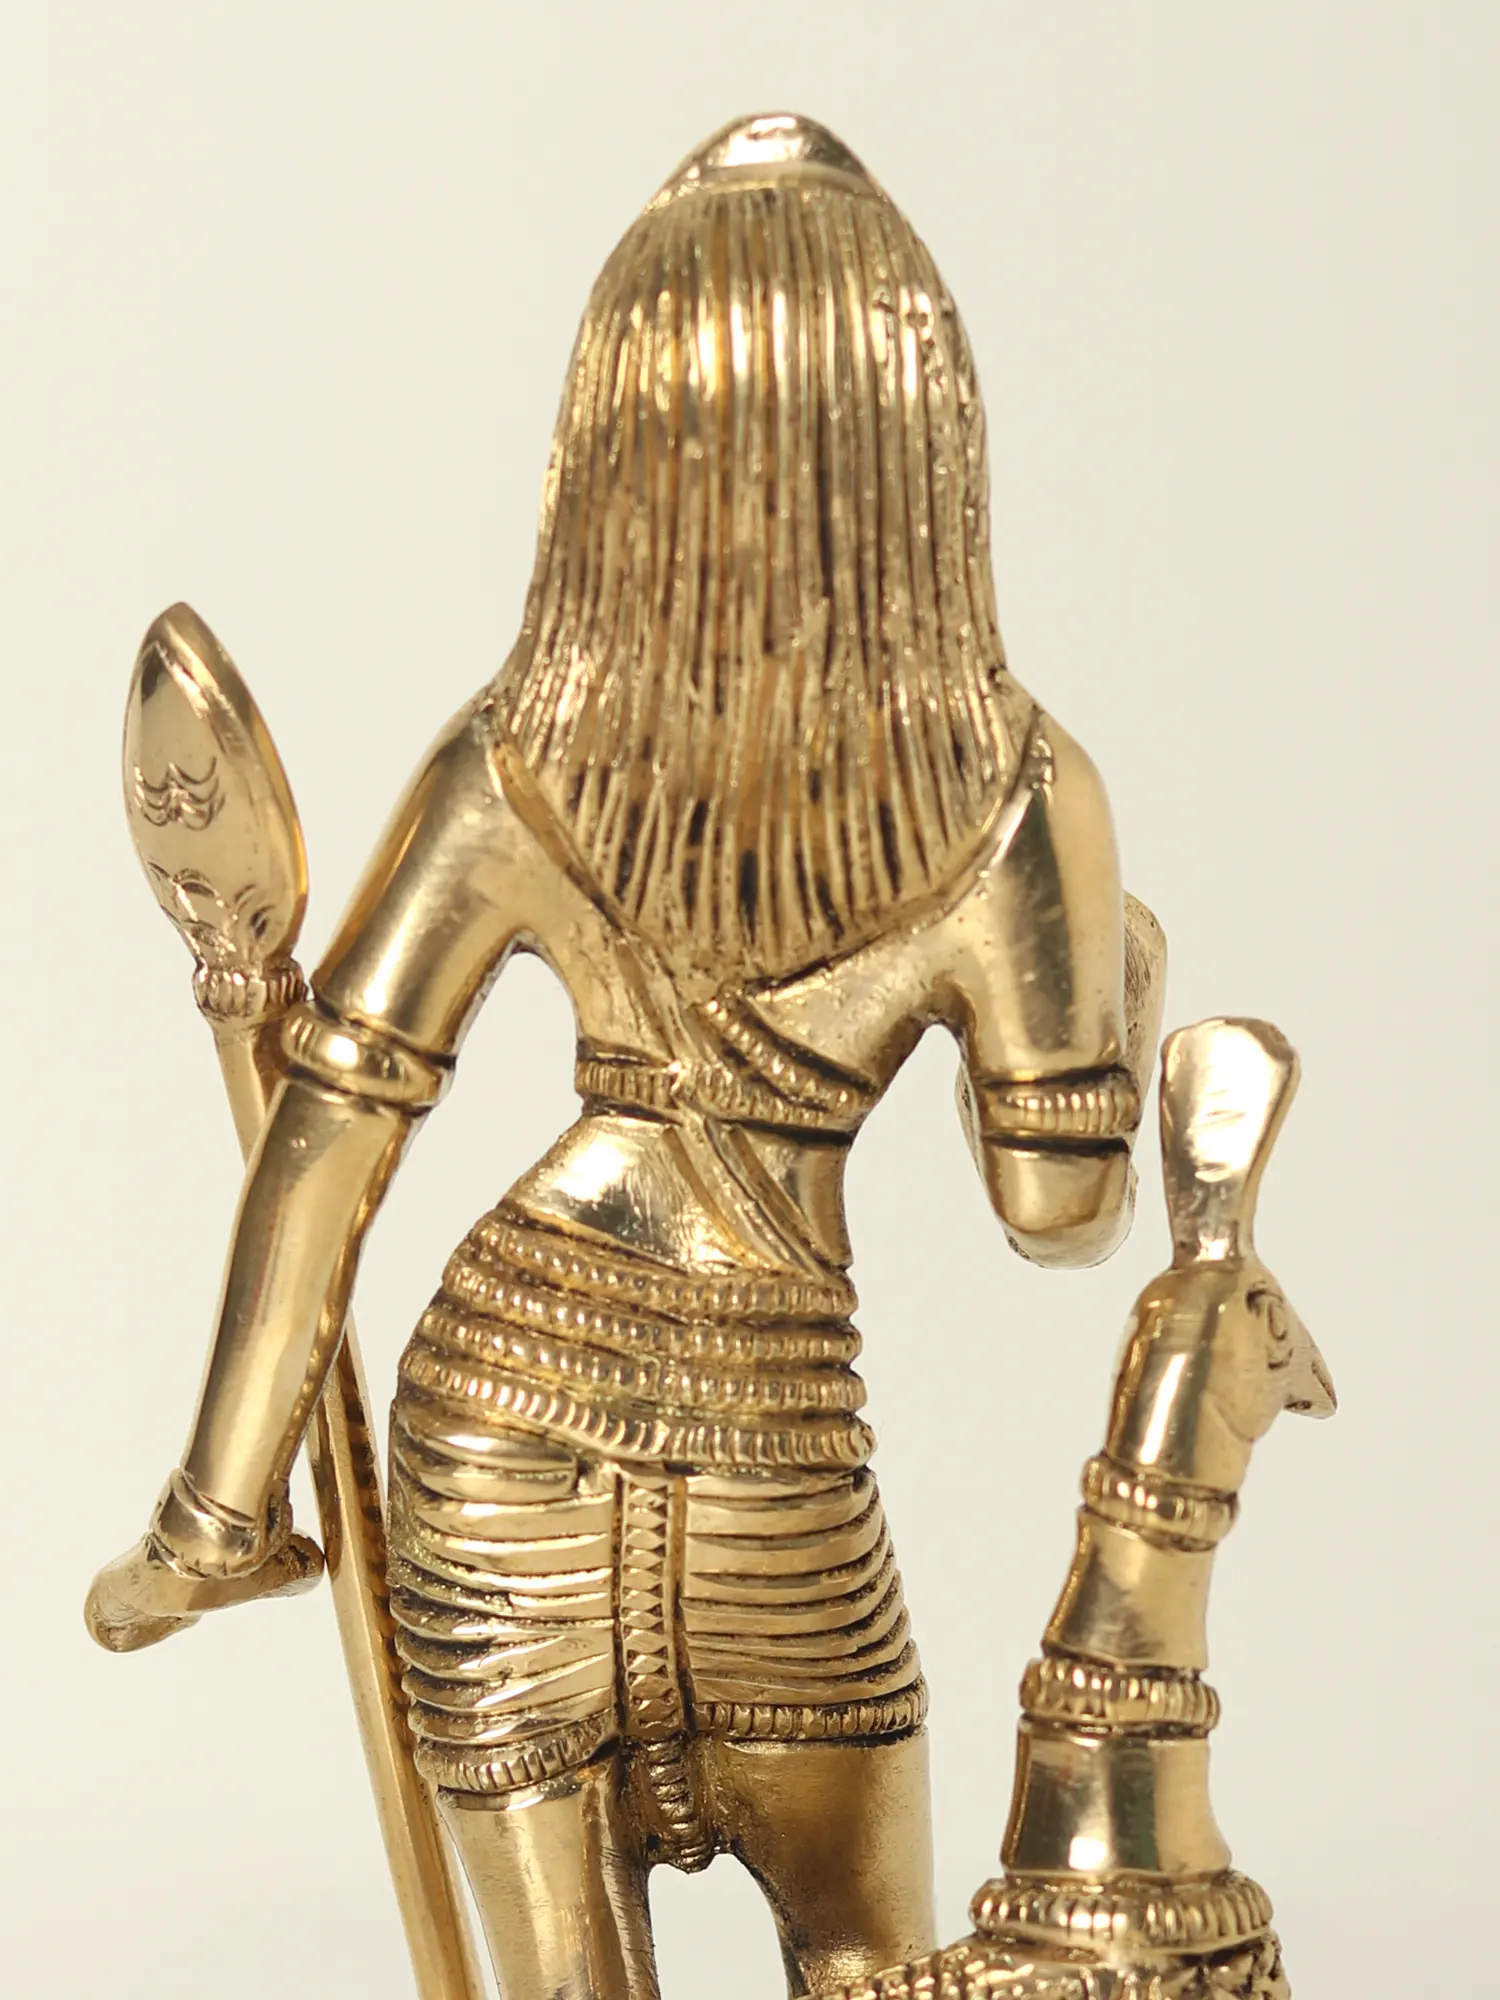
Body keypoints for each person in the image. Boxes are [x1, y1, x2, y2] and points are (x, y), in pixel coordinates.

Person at [87, 113, 1164, 2000]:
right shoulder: (1022, 795)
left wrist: (218, 1514)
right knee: (874, 1968)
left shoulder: (516, 752)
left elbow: (334, 1125)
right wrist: (1120, 985)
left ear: (608, 453)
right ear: (929, 450)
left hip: (496, 1433)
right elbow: (1059, 1217)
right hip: (772, 1461)